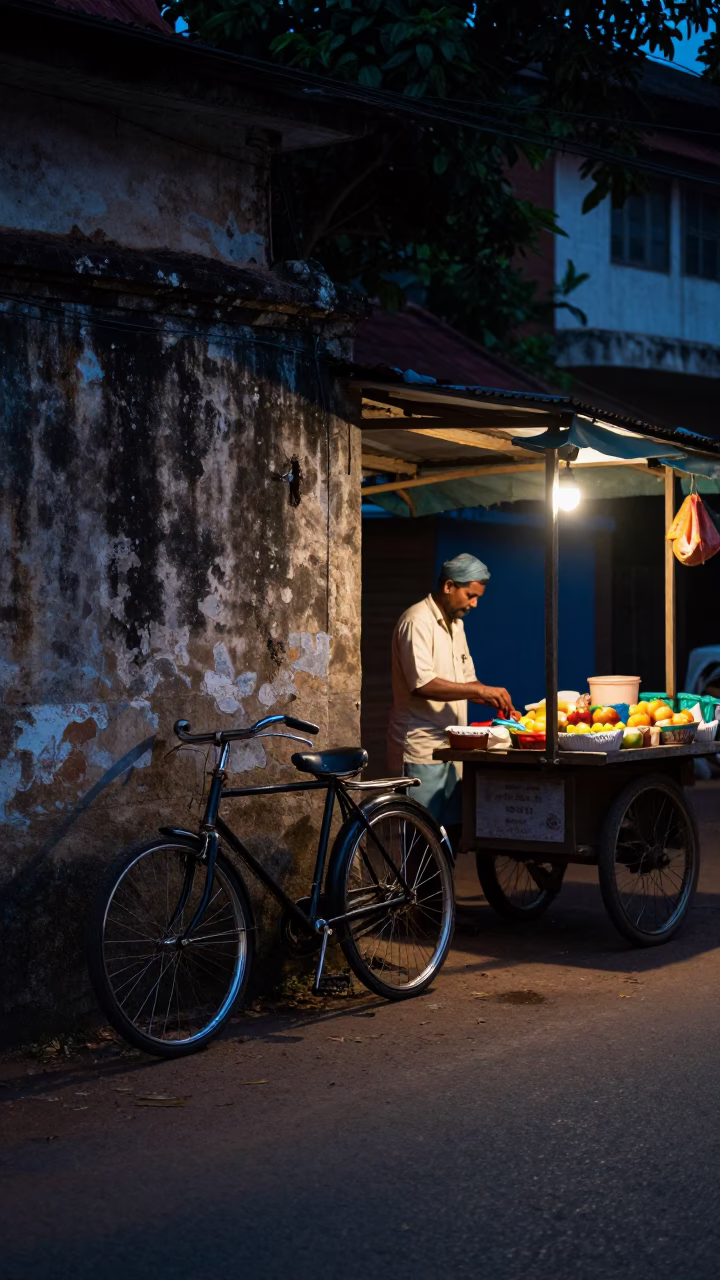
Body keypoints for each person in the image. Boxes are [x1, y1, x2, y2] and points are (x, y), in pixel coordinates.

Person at [387, 552, 516, 838]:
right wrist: (479, 689)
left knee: (449, 839)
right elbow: (422, 684)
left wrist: (494, 699)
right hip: (421, 750)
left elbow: (467, 681)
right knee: (420, 842)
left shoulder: (457, 625)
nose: (474, 604)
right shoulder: (416, 621)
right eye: (470, 595)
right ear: (448, 587)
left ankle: (444, 886)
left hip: (453, 749)